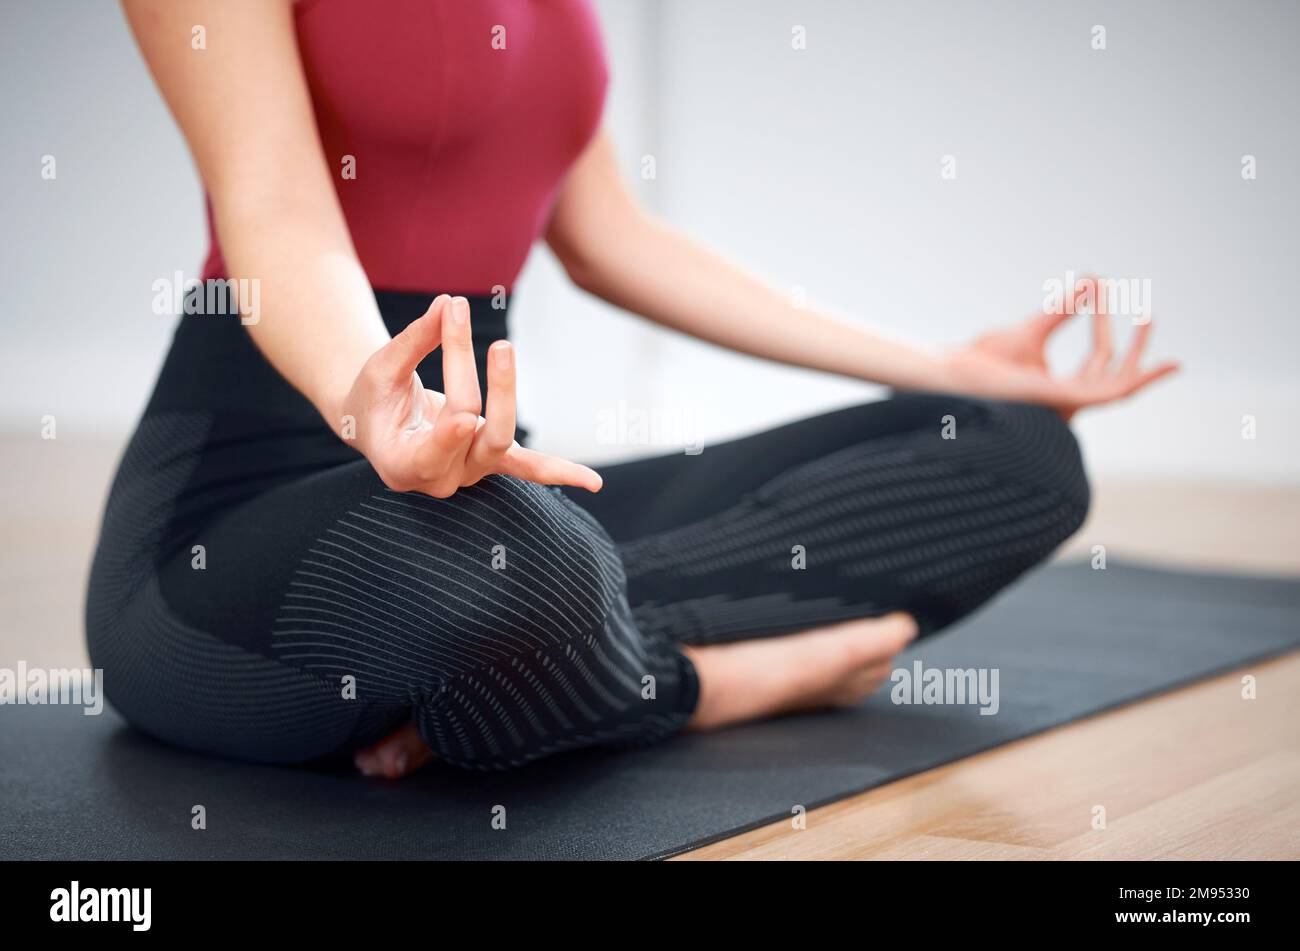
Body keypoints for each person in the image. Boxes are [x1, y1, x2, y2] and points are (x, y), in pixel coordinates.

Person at [88, 0, 1177, 776]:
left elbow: (612, 240)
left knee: (1017, 450)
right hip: (228, 535)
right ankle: (704, 678)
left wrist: (949, 369)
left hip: (479, 483)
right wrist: (369, 401)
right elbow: (273, 206)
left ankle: (542, 664)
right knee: (507, 561)